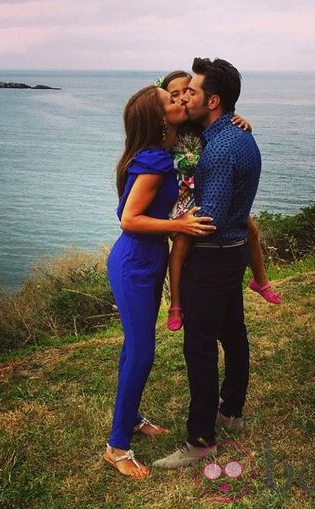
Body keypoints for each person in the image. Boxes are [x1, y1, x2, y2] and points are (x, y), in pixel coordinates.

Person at [104, 84, 216, 479]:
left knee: (134, 348)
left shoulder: (162, 151)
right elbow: (129, 219)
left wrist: (236, 119)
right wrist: (178, 225)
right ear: (159, 118)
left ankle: (131, 418)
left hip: (148, 259)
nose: (180, 100)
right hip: (134, 262)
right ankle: (117, 447)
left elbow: (204, 127)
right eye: (172, 100)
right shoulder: (154, 160)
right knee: (141, 352)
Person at [153, 58, 261, 469]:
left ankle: (200, 440)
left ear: (212, 101)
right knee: (232, 332)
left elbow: (209, 218)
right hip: (234, 252)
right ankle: (231, 411)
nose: (186, 98)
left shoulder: (218, 150)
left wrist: (176, 225)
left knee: (199, 348)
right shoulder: (240, 135)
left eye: (193, 92)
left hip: (212, 258)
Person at [159, 71, 281, 332]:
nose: (182, 99)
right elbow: (161, 155)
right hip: (186, 192)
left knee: (251, 229)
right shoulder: (172, 127)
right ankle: (175, 303)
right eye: (174, 96)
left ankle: (261, 280)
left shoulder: (200, 124)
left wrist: (243, 122)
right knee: (181, 244)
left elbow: (220, 127)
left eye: (188, 92)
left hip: (210, 189)